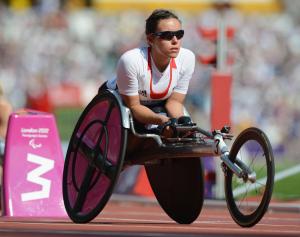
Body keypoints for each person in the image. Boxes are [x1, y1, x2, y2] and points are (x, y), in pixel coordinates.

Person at [104, 9, 196, 133]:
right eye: (167, 36)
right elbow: (134, 107)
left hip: (157, 106)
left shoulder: (187, 58)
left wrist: (181, 121)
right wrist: (161, 121)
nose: (175, 41)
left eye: (179, 34)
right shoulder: (130, 60)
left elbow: (174, 102)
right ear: (150, 40)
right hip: (119, 103)